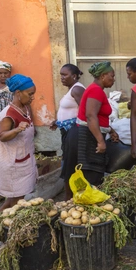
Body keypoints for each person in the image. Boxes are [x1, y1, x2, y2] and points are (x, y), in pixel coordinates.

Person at [77, 61, 118, 186]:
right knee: (92, 177)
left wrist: (110, 130)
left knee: (94, 176)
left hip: (90, 135)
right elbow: (90, 116)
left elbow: (97, 116)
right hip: (89, 139)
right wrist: (100, 141)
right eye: (112, 76)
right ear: (103, 76)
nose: (113, 79)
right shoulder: (96, 91)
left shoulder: (96, 89)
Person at [0, 74, 37, 211]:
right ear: (18, 93)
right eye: (30, 94)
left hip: (23, 160)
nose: (32, 97)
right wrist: (17, 130)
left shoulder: (25, 108)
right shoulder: (9, 114)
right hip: (13, 165)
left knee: (13, 201)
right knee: (14, 204)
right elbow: (2, 136)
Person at [50, 64, 85, 199]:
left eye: (65, 75)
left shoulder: (77, 89)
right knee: (68, 163)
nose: (62, 78)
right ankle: (71, 197)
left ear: (74, 76)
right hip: (68, 132)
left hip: (74, 133)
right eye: (60, 75)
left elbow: (84, 112)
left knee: (70, 165)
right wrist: (58, 121)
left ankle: (70, 198)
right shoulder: (72, 89)